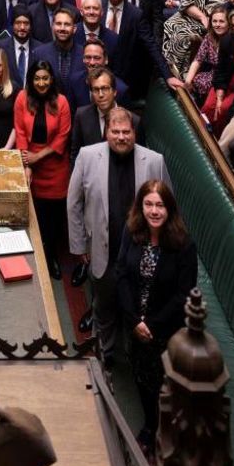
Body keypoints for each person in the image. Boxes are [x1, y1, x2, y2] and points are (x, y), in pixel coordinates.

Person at [66, 109, 167, 356]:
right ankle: (104, 357)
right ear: (106, 133)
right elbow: (74, 203)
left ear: (134, 133)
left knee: (136, 311)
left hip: (141, 256)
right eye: (115, 132)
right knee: (104, 309)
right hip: (103, 253)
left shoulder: (154, 161)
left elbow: (167, 206)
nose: (121, 137)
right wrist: (79, 246)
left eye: (126, 132)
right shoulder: (87, 156)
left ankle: (133, 359)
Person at [116, 178, 198, 455]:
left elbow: (183, 294)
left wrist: (150, 324)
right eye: (148, 204)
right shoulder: (132, 231)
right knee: (141, 378)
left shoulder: (183, 245)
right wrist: (134, 320)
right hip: (135, 324)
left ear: (169, 209)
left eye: (159, 205)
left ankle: (163, 430)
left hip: (165, 330)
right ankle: (150, 426)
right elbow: (122, 275)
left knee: (164, 384)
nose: (153, 211)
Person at [14, 59, 75, 283]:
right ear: (31, 79)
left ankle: (51, 258)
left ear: (52, 80)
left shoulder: (62, 102)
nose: (41, 83)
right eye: (37, 78)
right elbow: (20, 131)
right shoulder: (22, 98)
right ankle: (34, 259)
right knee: (34, 216)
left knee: (52, 220)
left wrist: (37, 157)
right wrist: (27, 165)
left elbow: (62, 137)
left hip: (54, 165)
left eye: (45, 78)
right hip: (29, 162)